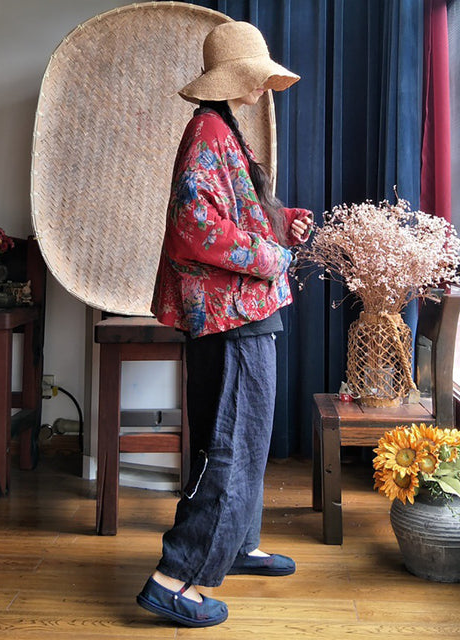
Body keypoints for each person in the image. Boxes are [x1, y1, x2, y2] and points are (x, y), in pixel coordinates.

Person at [137, 20, 313, 628]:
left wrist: (282, 221)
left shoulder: (223, 132)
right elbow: (196, 228)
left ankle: (235, 543)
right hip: (229, 314)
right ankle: (173, 580)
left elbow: (230, 210)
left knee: (247, 437)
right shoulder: (207, 131)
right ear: (238, 79)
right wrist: (272, 256)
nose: (264, 87)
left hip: (242, 312)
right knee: (231, 445)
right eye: (257, 76)